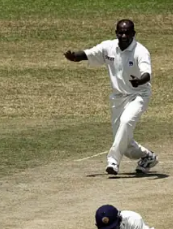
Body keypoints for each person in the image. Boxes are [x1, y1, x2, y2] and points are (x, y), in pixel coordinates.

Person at [64, 19, 160, 175]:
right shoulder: (108, 47)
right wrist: (75, 57)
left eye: (127, 32)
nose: (123, 35)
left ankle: (113, 162)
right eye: (120, 32)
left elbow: (147, 74)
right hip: (118, 98)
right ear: (116, 33)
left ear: (133, 34)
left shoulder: (141, 51)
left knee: (126, 121)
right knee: (124, 141)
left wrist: (139, 81)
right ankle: (147, 156)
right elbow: (89, 54)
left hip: (138, 95)